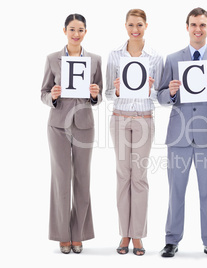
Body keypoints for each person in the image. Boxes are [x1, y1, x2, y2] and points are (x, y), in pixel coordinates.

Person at [156, 7, 207, 260]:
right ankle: (171, 240)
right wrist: (173, 92)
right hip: (179, 136)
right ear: (186, 27)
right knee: (175, 190)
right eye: (193, 25)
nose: (198, 29)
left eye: (202, 25)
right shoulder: (173, 59)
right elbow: (161, 97)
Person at [41, 13, 102, 254]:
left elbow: (98, 97)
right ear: (64, 30)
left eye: (81, 30)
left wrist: (95, 93)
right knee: (61, 178)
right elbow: (43, 92)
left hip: (84, 124)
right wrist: (52, 96)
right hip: (57, 125)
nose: (76, 34)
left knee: (83, 179)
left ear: (85, 32)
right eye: (72, 29)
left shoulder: (95, 60)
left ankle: (79, 234)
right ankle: (62, 235)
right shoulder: (53, 59)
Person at [105, 9, 163, 256]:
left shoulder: (155, 57)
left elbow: (161, 96)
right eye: (130, 24)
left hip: (144, 119)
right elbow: (107, 93)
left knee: (139, 176)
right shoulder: (115, 55)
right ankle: (124, 233)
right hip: (119, 118)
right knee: (122, 176)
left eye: (139, 24)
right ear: (125, 26)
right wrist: (117, 91)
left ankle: (137, 234)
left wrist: (150, 89)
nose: (134, 29)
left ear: (146, 25)